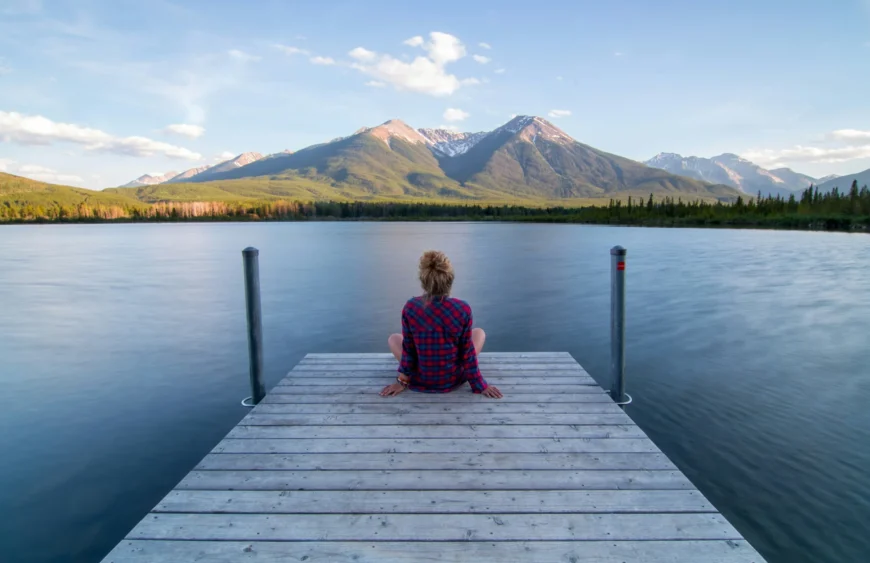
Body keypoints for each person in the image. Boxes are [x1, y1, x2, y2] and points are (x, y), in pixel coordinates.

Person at [381, 250, 503, 399]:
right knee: (479, 333)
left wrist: (402, 381)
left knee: (394, 338)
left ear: (423, 280)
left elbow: (409, 349)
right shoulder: (462, 309)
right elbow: (467, 353)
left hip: (420, 377)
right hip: (451, 379)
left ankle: (412, 375)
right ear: (450, 279)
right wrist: (480, 385)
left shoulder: (411, 307)